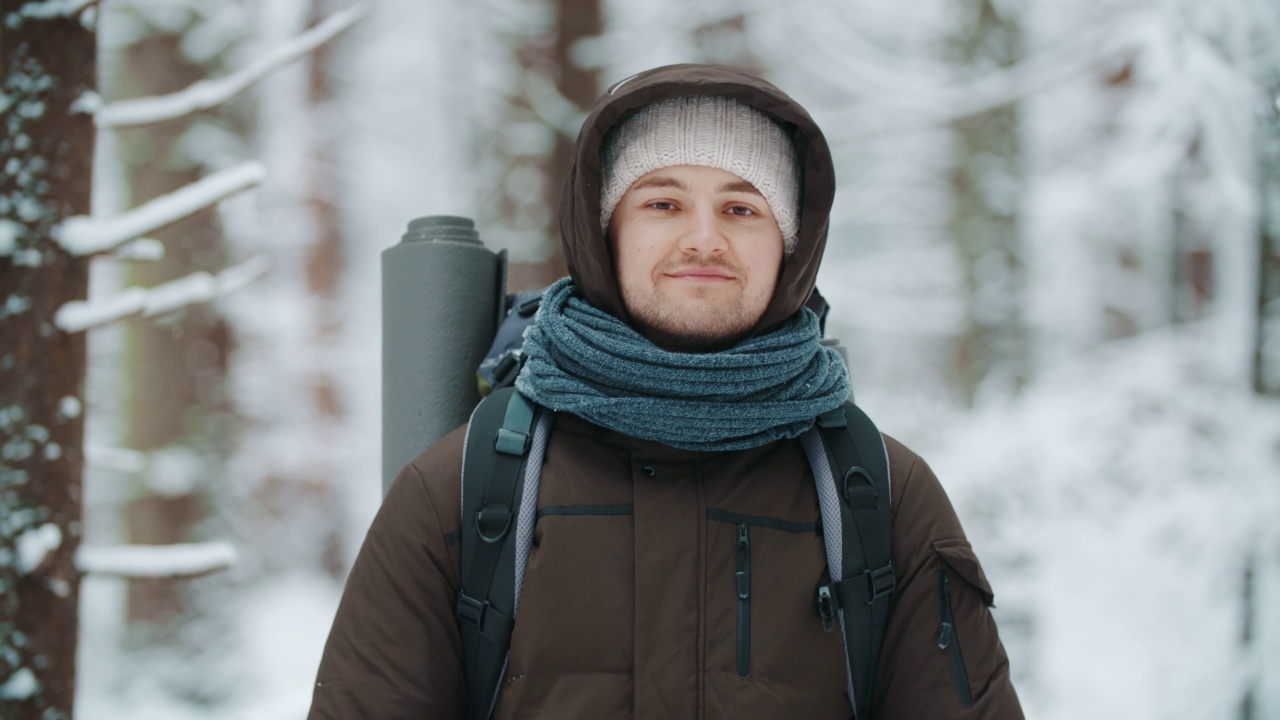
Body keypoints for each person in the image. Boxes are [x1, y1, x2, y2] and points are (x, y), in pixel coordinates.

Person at [308, 63, 1023, 719]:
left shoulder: (880, 498)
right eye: (662, 204)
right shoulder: (463, 490)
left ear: (793, 245)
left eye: (743, 209)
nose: (704, 239)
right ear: (605, 232)